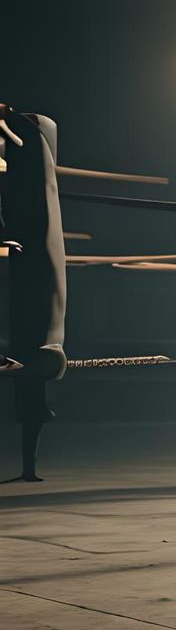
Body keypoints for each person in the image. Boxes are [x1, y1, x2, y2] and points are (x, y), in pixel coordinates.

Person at [0, 105, 67, 481]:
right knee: (30, 391)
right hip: (39, 332)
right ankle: (28, 468)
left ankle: (29, 468)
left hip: (39, 332)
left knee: (30, 387)